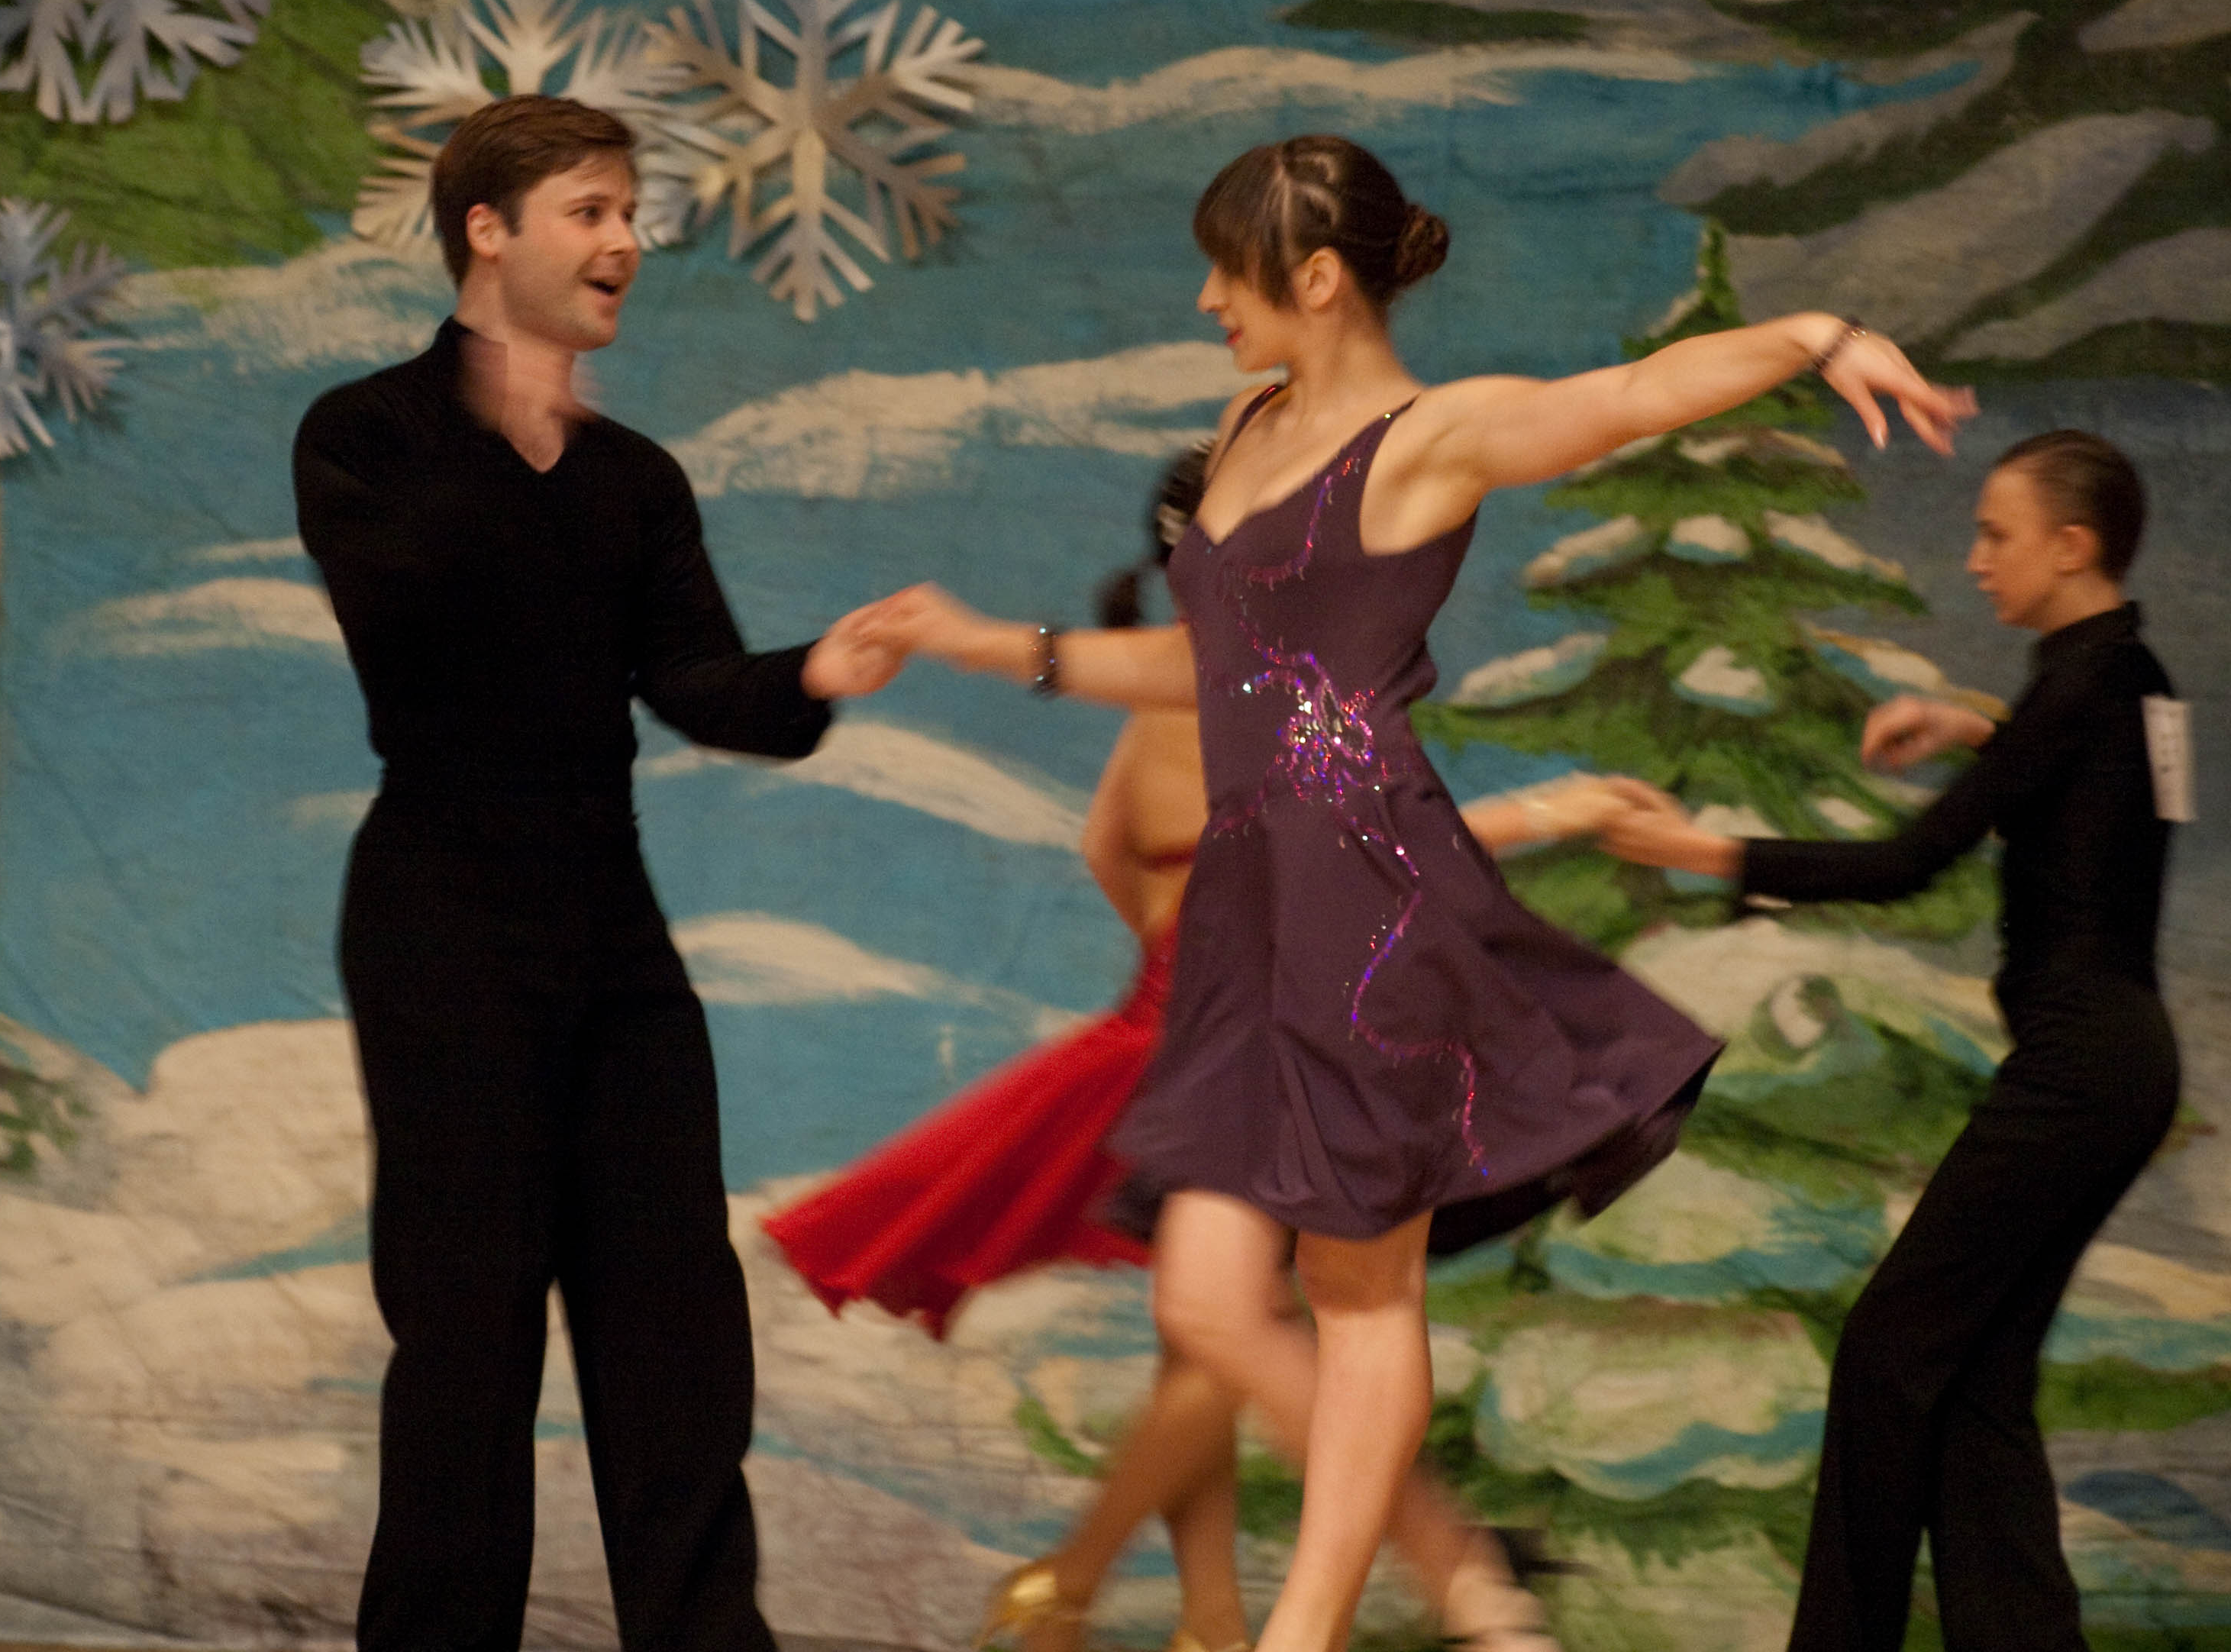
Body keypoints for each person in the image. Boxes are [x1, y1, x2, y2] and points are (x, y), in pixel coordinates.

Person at [865, 134, 1971, 1652]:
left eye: (1228, 274)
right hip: (1254, 895)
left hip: (1364, 890)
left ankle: (1307, 1633)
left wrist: (1819, 337)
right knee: (1226, 1295)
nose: (1206, 301)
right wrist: (986, 643)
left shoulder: (1430, 439)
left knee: (1359, 1290)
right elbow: (1215, 669)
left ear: (1318, 278)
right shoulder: (1249, 422)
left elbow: (1630, 397)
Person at [768, 444, 1669, 1652]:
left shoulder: (1185, 684)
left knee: (1207, 1333)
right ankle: (1422, 1578)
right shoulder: (1243, 678)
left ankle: (1192, 1614)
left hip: (1183, 1020)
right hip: (1241, 1036)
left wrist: (1182, 942)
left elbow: (1112, 847)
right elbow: (1377, 836)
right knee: (1226, 1329)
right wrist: (1557, 809)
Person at [292, 95, 905, 1652]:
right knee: (467, 1338)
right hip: (443, 915)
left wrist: (811, 672)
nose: (628, 239)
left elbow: (693, 681)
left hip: (610, 930)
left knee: (674, 1331)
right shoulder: (367, 434)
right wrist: (512, 418)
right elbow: (414, 609)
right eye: (591, 210)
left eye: (632, 212)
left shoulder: (634, 475)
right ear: (486, 230)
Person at [1598, 430, 2179, 1652]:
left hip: (2081, 1069)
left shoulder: (2083, 689)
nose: (1976, 559)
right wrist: (1978, 733)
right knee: (1976, 1381)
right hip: (2119, 1064)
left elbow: (1909, 863)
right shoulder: (2130, 679)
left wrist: (1706, 850)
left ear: (2073, 548)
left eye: (1997, 535)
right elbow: (2105, 791)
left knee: (1886, 1348)